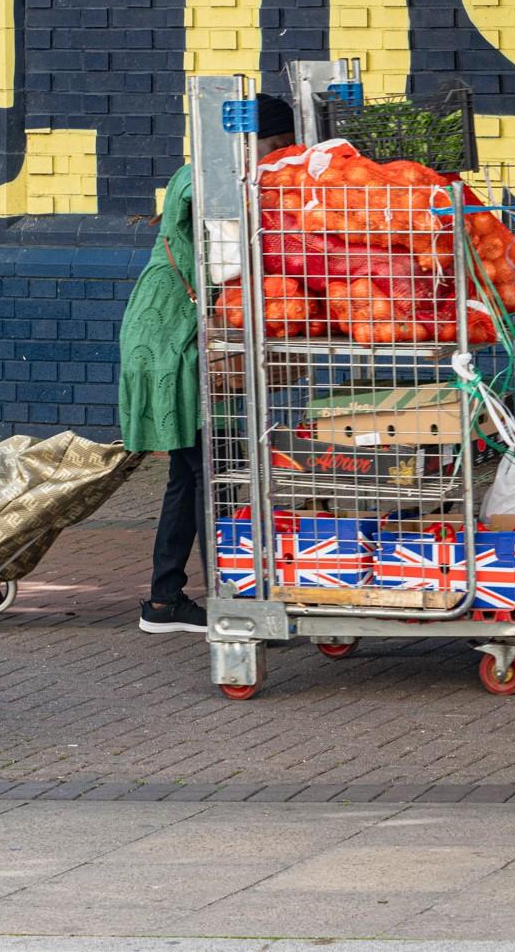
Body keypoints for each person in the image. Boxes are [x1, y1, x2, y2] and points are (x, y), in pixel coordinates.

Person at [119, 93, 299, 634]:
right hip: (171, 335)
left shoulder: (223, 176)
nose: (281, 156)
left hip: (187, 330)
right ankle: (228, 598)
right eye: (277, 145)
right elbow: (229, 247)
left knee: (192, 470)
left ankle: (165, 599)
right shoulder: (207, 180)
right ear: (251, 140)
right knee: (210, 470)